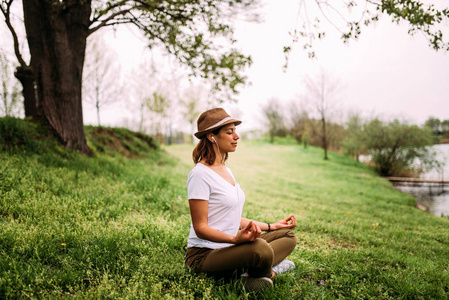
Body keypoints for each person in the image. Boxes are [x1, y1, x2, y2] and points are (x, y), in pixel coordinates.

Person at [184, 108, 297, 291]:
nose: (236, 136)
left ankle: (252, 273)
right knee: (260, 248)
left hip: (229, 248)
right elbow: (201, 227)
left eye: (235, 131)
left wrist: (271, 226)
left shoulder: (226, 170)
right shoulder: (199, 174)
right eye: (230, 132)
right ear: (212, 136)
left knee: (288, 236)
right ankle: (267, 272)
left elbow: (230, 218)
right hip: (204, 256)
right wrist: (235, 240)